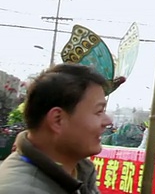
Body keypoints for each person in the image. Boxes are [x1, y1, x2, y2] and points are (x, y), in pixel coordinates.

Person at [0, 64, 112, 193]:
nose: (108, 121)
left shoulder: (80, 172)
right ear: (57, 119)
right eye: (99, 111)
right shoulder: (22, 189)